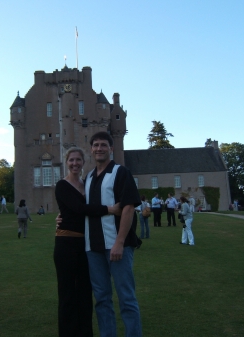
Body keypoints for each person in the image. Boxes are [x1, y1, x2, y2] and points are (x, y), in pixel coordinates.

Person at [54, 147, 121, 337]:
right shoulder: (62, 185)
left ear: (84, 162)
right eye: (71, 160)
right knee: (67, 293)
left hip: (86, 246)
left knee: (84, 292)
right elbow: (78, 208)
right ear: (66, 163)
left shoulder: (88, 184)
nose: (75, 163)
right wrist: (109, 209)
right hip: (66, 244)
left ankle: (85, 332)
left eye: (78, 160)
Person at [84, 131, 142, 337]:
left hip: (117, 247)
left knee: (126, 298)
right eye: (95, 145)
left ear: (111, 148)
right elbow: (84, 210)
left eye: (103, 145)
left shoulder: (120, 172)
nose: (99, 148)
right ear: (91, 149)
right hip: (93, 248)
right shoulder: (89, 177)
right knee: (102, 299)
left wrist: (119, 242)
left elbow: (128, 208)